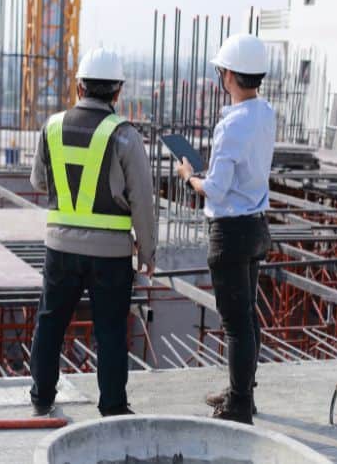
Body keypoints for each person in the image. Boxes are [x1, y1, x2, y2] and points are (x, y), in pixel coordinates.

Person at [29, 48, 156, 418]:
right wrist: (147, 254)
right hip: (111, 255)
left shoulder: (51, 126)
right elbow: (143, 202)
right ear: (117, 92)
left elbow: (39, 180)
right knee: (112, 331)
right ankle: (113, 407)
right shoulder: (125, 136)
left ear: (79, 85)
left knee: (50, 322)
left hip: (60, 248)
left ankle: (41, 396)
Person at [175, 34, 275, 425]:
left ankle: (239, 406)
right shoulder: (265, 113)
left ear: (228, 75)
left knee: (236, 324)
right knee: (248, 317)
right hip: (256, 226)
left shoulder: (231, 125)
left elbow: (214, 189)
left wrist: (189, 176)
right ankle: (241, 393)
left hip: (230, 231)